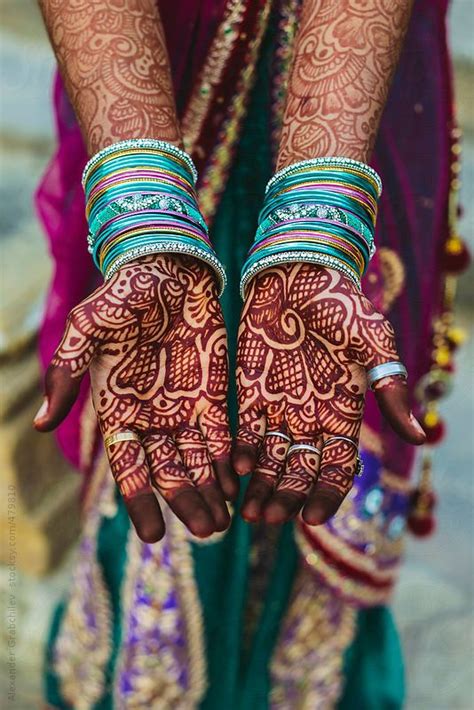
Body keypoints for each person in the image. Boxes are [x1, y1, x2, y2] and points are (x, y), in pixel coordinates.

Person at [34, 0, 464, 707]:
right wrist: (145, 215)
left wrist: (316, 225)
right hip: (148, 70)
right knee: (151, 434)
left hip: (365, 87)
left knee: (325, 436)